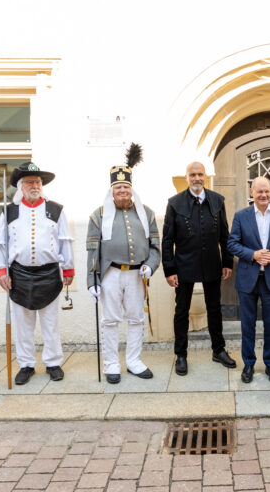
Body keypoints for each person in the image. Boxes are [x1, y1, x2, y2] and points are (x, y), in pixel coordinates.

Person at [0, 162, 74, 385]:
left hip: (49, 274)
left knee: (50, 323)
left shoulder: (55, 210)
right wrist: (1, 270)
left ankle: (53, 362)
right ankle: (26, 364)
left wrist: (68, 267)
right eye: (29, 182)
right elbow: (1, 244)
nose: (34, 185)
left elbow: (64, 241)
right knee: (23, 324)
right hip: (19, 275)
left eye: (37, 182)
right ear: (20, 186)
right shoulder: (9, 212)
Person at [87, 144, 160, 383]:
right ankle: (111, 364)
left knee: (136, 317)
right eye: (118, 187)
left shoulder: (146, 213)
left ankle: (134, 361)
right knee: (109, 320)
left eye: (126, 187)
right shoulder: (98, 215)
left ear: (131, 189)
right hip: (110, 273)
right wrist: (92, 281)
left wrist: (150, 265)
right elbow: (92, 251)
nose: (122, 191)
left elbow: (155, 247)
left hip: (137, 274)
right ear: (112, 190)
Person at [162, 162, 236, 376]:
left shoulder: (217, 201)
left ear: (205, 177)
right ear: (186, 177)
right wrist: (169, 269)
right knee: (181, 311)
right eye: (192, 174)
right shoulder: (175, 203)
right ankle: (181, 355)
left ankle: (218, 350)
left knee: (215, 308)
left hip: (212, 263)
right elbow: (167, 240)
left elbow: (225, 235)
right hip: (184, 264)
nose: (196, 178)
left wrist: (227, 262)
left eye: (200, 174)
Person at [228, 176, 270, 384]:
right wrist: (253, 255)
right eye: (259, 192)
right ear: (252, 193)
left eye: (267, 191)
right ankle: (248, 364)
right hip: (248, 278)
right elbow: (232, 243)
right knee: (247, 325)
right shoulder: (241, 216)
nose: (263, 195)